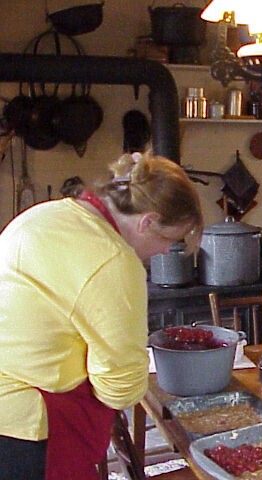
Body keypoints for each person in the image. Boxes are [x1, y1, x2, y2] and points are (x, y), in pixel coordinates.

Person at [0, 151, 203, 480]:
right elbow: (120, 387)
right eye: (170, 239)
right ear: (147, 221)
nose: (167, 251)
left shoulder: (48, 214)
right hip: (31, 426)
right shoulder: (113, 260)